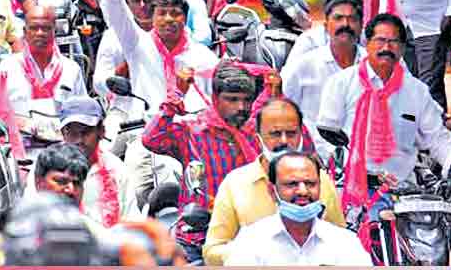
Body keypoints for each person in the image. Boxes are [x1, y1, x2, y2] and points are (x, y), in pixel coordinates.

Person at [315, 13, 451, 205]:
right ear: (367, 44)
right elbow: (325, 141)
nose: (386, 48)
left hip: (405, 193)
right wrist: (365, 173)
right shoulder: (340, 84)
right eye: (380, 41)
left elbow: (437, 139)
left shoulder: (416, 91)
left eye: (394, 42)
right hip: (351, 190)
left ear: (402, 49)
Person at [141, 61, 262, 260]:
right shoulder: (191, 132)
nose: (241, 107)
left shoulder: (255, 134)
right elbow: (151, 139)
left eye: (246, 100)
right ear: (215, 99)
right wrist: (175, 98)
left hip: (245, 237)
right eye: (231, 99)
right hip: (196, 236)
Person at [204, 98, 345, 266]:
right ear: (258, 139)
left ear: (301, 135)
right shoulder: (236, 183)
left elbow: (340, 240)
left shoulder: (320, 180)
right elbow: (212, 251)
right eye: (275, 134)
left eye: (291, 133)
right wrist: (253, 253)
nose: (284, 141)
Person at [223, 152, 372, 266]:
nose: (303, 191)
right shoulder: (250, 241)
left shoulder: (345, 243)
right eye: (292, 184)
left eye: (310, 183)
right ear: (272, 191)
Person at [281, 0, 365, 157]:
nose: (345, 24)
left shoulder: (373, 66)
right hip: (313, 159)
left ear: (361, 26)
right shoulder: (305, 65)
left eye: (352, 19)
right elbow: (283, 107)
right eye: (338, 18)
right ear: (326, 25)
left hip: (363, 162)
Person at [23, 97, 127, 229]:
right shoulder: (47, 164)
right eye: (71, 132)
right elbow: (30, 216)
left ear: (101, 131)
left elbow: (131, 222)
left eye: (85, 132)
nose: (78, 140)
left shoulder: (117, 169)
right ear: (62, 134)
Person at [0, 3, 89, 131]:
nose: (40, 33)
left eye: (46, 28)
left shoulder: (71, 69)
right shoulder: (8, 67)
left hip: (62, 146)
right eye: (34, 28)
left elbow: (83, 112)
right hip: (19, 145)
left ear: (55, 31)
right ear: (25, 32)